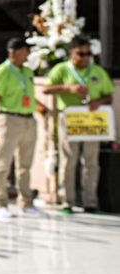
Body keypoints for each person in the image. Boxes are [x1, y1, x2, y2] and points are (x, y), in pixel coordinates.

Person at [44, 36, 116, 213]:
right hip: (69, 117)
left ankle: (90, 202)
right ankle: (66, 202)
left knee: (91, 162)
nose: (85, 57)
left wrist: (98, 102)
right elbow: (47, 89)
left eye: (88, 54)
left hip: (91, 120)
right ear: (71, 53)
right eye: (81, 53)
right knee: (69, 160)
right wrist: (68, 88)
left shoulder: (97, 71)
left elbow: (109, 96)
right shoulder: (62, 69)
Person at [0, 37, 48, 220]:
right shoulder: (2, 71)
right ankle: (1, 204)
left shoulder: (27, 71)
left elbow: (27, 94)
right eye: (24, 52)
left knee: (25, 165)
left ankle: (26, 203)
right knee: (3, 164)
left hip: (29, 120)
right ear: (13, 53)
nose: (27, 55)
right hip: (9, 118)